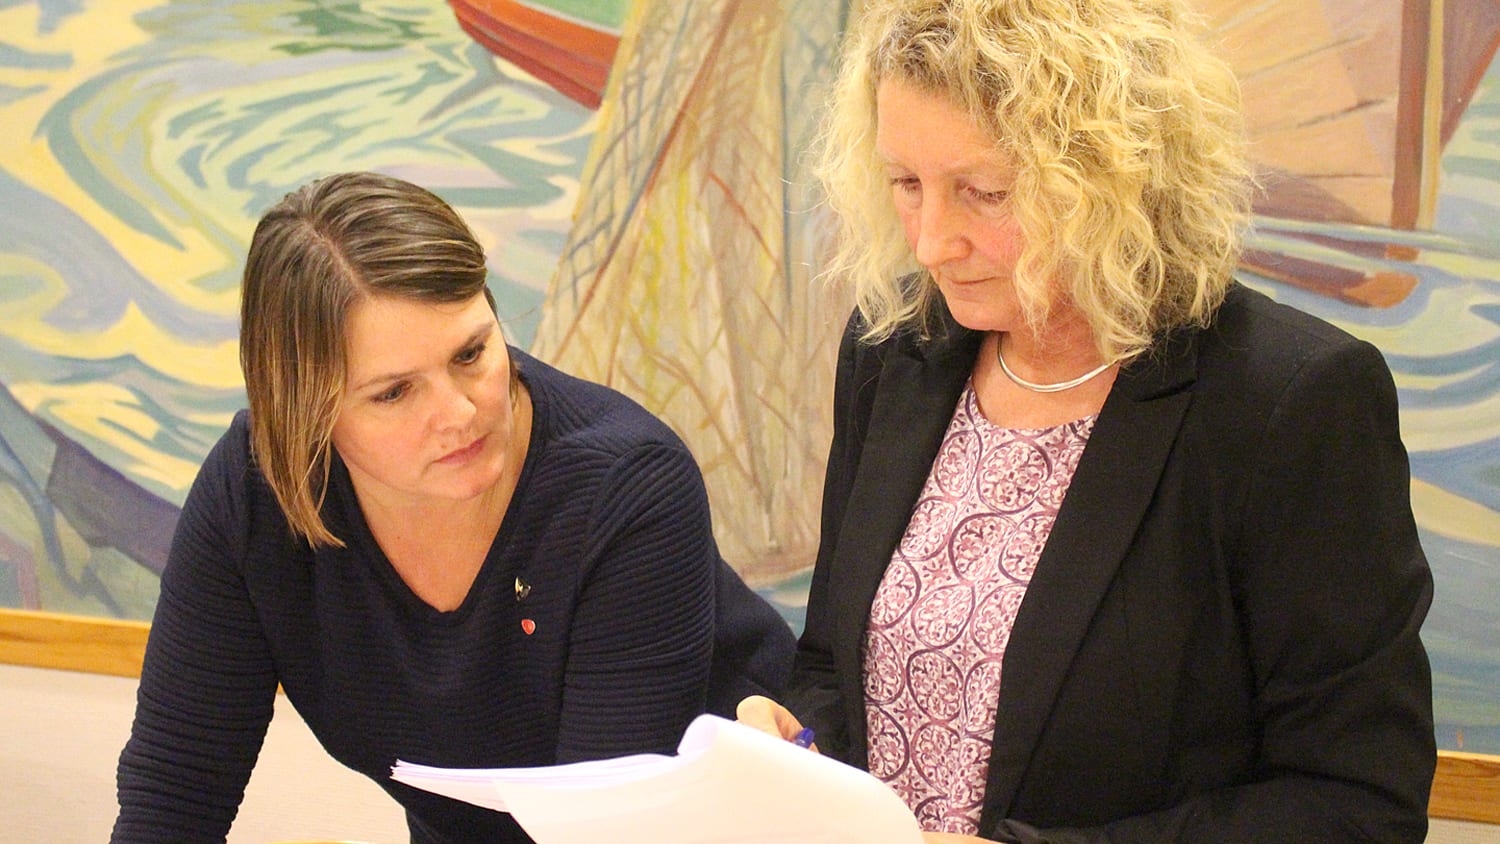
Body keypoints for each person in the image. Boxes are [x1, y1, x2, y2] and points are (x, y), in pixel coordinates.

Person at [738, 0, 1436, 841]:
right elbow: (831, 660)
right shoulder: (895, 348)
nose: (930, 242)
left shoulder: (1291, 402)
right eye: (907, 185)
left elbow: (1357, 803)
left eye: (983, 193)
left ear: (1113, 176)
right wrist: (800, 745)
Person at [112, 171, 794, 843]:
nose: (460, 413)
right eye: (394, 392)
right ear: (305, 411)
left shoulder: (627, 487)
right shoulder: (255, 492)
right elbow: (177, 789)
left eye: (471, 353)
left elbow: (604, 830)